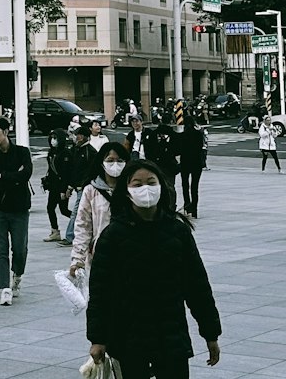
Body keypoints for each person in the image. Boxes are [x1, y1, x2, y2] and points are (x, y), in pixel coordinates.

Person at [87, 160, 222, 377]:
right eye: (137, 184)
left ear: (161, 185)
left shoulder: (178, 231)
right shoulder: (113, 236)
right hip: (129, 336)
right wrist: (98, 339)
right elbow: (101, 292)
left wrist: (211, 333)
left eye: (151, 182)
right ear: (127, 190)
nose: (145, 189)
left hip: (170, 335)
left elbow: (197, 286)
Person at [0, 116, 33, 305]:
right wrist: (14, 177)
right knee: (0, 250)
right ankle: (4, 287)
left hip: (19, 208)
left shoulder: (22, 152)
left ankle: (17, 275)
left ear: (6, 132)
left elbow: (26, 174)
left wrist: (2, 175)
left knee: (20, 248)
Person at [69, 141, 129, 280]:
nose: (115, 164)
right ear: (102, 163)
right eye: (110, 160)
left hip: (129, 253)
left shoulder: (131, 188)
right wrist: (78, 259)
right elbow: (83, 226)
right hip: (100, 255)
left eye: (120, 161)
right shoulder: (91, 190)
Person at [64, 124, 99, 243]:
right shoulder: (75, 150)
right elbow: (73, 170)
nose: (76, 138)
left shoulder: (91, 152)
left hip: (85, 187)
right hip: (77, 186)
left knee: (77, 212)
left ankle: (70, 236)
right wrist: (70, 186)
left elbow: (90, 171)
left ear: (84, 137)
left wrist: (83, 184)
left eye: (78, 135)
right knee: (82, 212)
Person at [42, 130, 73, 243]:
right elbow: (51, 169)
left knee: (64, 210)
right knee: (50, 208)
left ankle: (81, 222)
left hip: (61, 186)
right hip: (53, 186)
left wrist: (64, 189)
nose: (53, 140)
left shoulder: (66, 153)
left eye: (55, 138)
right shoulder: (52, 152)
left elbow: (66, 173)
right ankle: (55, 231)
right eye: (51, 138)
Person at [176, 113, 207, 217]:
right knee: (195, 187)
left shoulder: (182, 135)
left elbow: (179, 150)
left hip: (185, 163)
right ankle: (195, 210)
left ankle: (187, 206)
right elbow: (201, 147)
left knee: (185, 185)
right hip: (196, 163)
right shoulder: (198, 134)